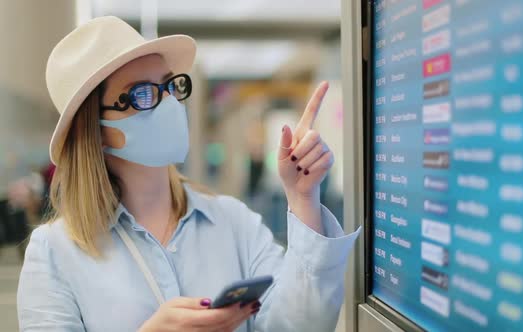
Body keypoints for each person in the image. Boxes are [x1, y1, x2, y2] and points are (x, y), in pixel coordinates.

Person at [17, 16, 360, 332]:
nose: (168, 102)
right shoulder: (54, 253)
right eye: (141, 93)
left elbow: (301, 327)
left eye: (169, 86)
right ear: (96, 130)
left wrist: (303, 198)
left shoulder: (233, 222)